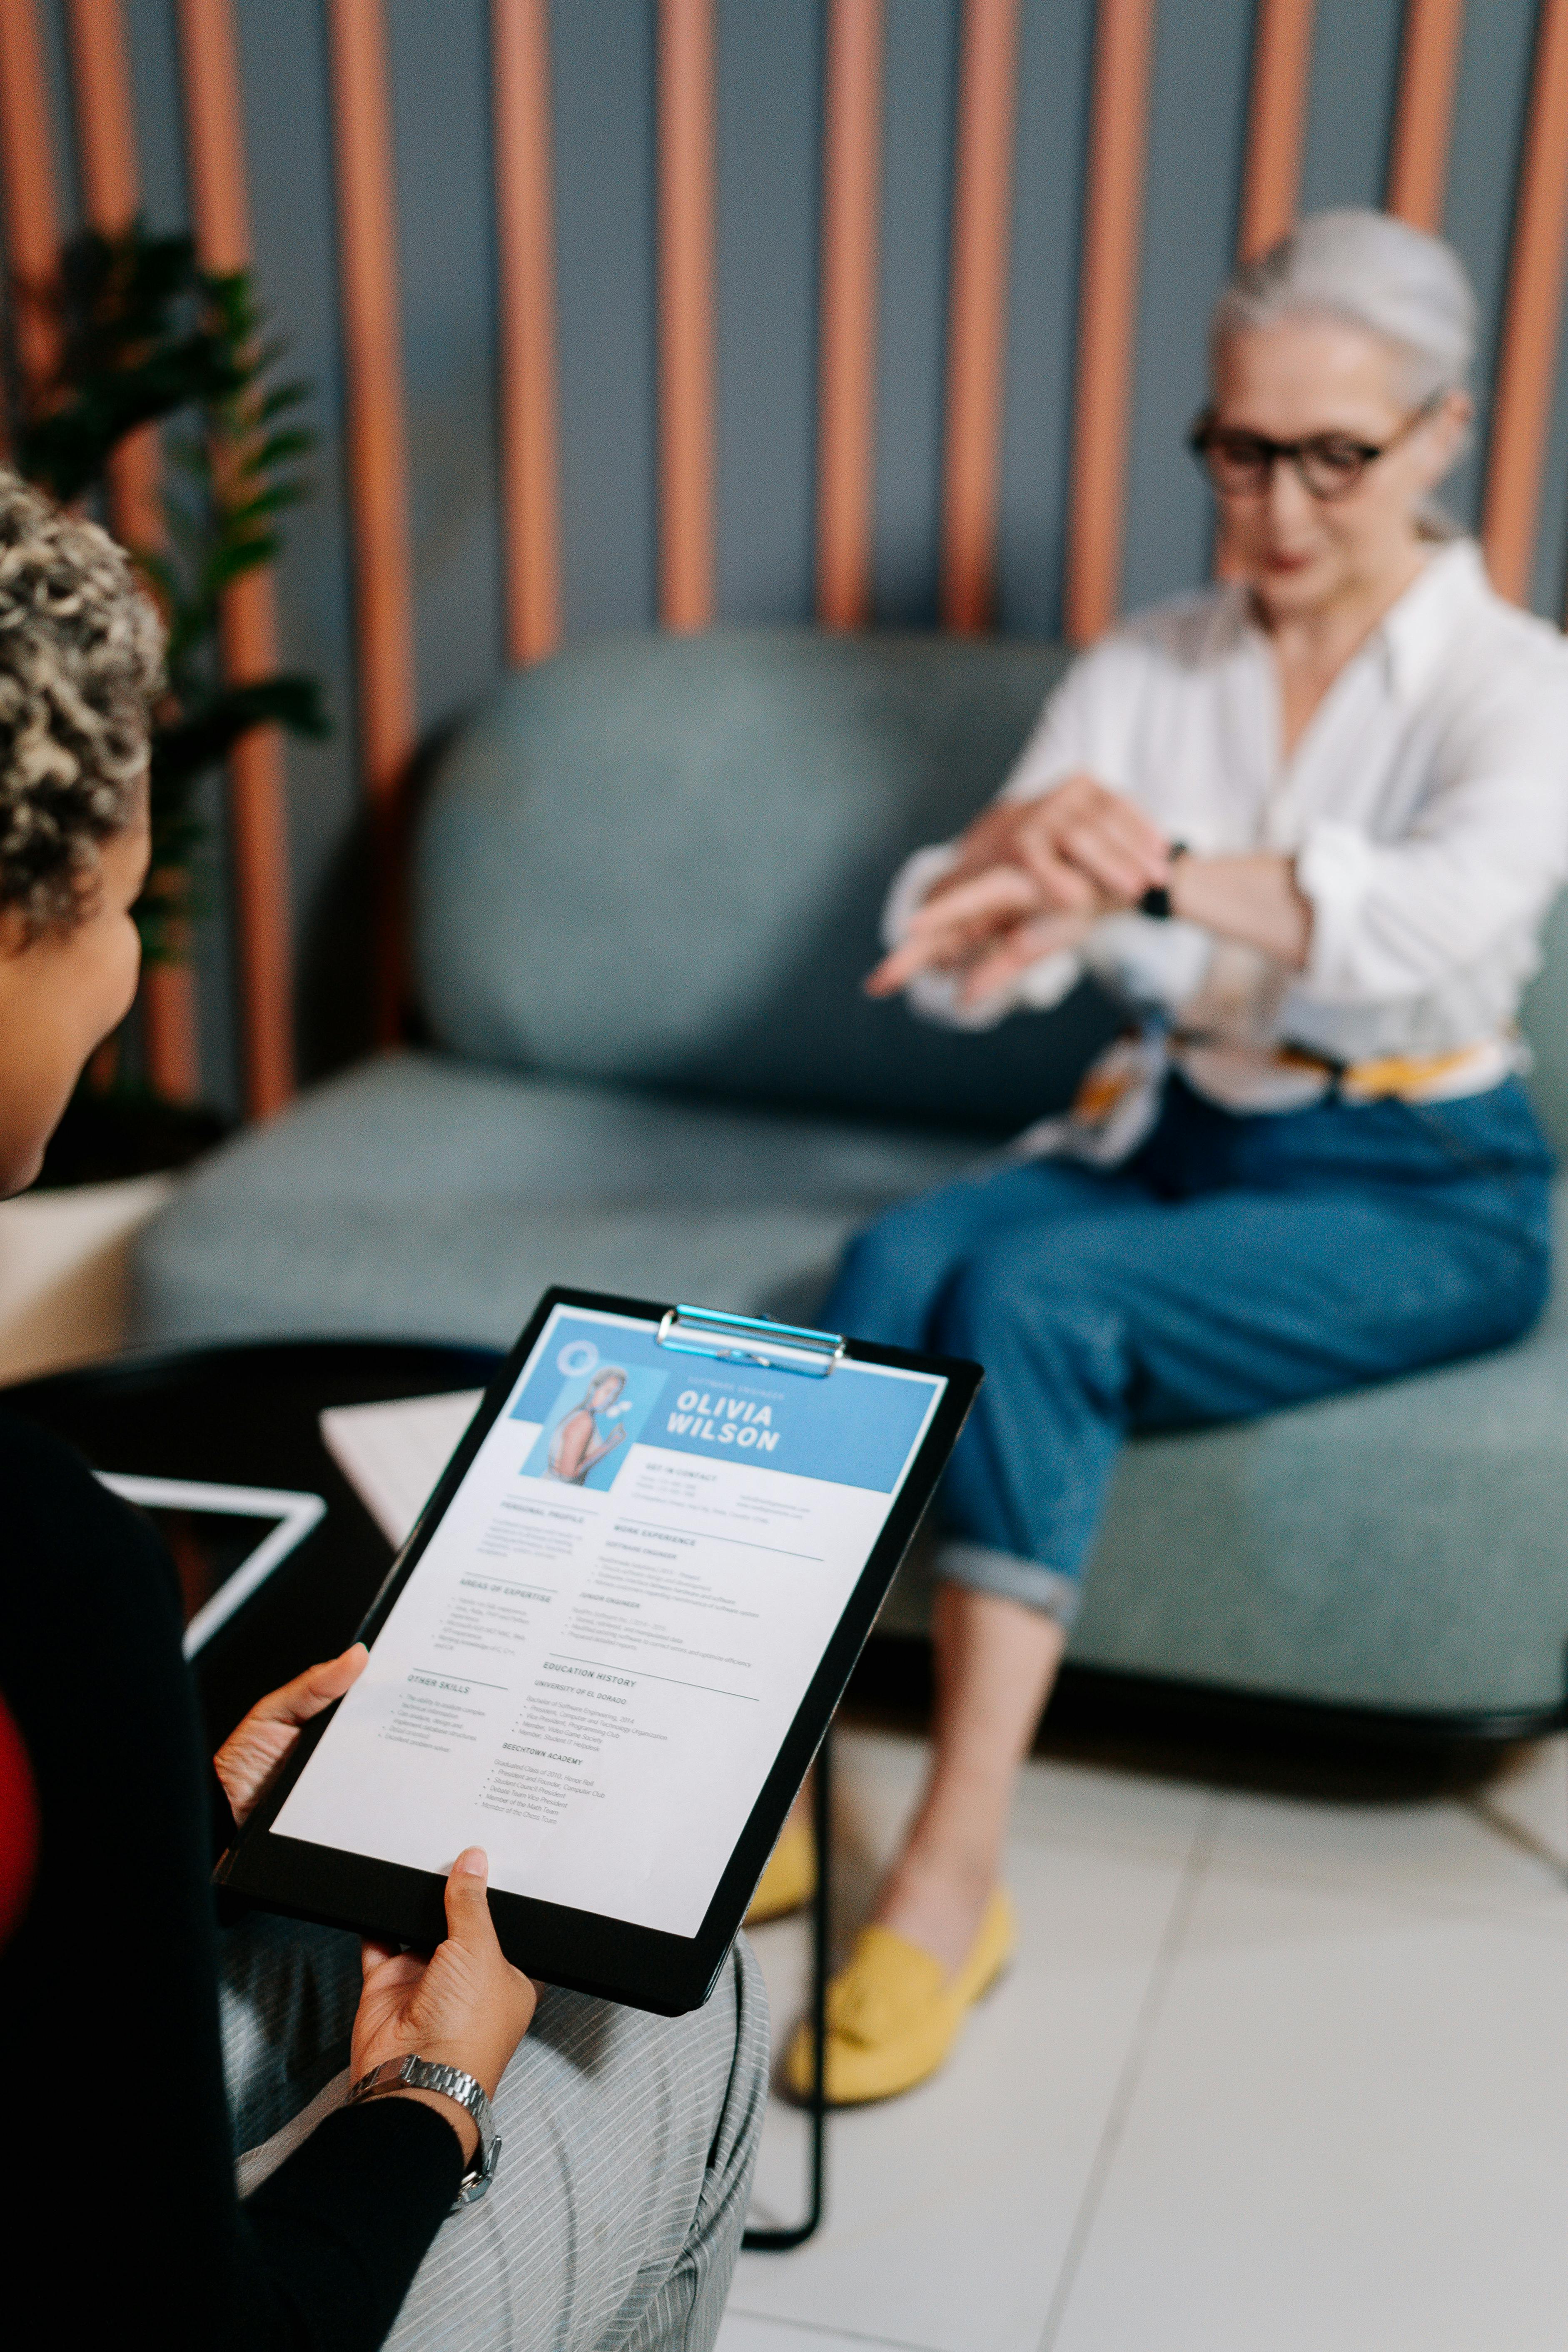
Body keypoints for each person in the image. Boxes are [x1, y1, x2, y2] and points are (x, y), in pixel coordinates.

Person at [782, 208, 1568, 2106]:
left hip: (1422, 1180)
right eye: (1237, 448)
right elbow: (964, 933)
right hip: (1173, 1128)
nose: (1276, 501)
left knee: (1030, 1300)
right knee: (892, 1263)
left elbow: (1409, 934)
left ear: (1437, 434)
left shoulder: (1515, 684)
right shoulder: (1148, 664)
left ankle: (948, 1885)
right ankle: (762, 1786)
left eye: (1331, 454)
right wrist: (992, 896)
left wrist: (1123, 865)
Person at [0, 472, 767, 2344]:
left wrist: (140, 1828)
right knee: (666, 1998)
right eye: (112, 905)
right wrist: (435, 2093)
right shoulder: (34, 1566)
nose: (122, 970)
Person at [547, 1365, 629, 1482]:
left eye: (615, 1394)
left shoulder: (580, 1415)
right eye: (608, 1391)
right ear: (593, 1389)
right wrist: (610, 1444)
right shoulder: (584, 1421)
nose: (611, 1399)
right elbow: (568, 1475)